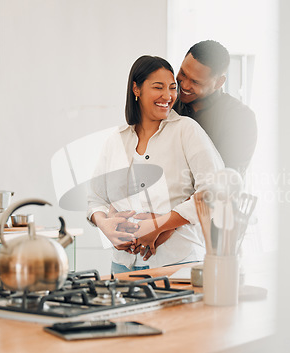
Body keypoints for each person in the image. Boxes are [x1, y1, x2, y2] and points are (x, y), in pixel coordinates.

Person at [87, 55, 224, 273]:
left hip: (176, 262)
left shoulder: (186, 130)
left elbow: (215, 191)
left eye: (172, 87)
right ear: (136, 89)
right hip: (122, 264)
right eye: (158, 87)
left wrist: (158, 225)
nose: (168, 96)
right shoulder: (117, 139)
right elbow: (95, 198)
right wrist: (105, 225)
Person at [173, 40, 257, 178]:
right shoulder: (169, 105)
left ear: (218, 83)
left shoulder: (240, 118)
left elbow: (226, 180)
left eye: (195, 82)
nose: (185, 85)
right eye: (183, 73)